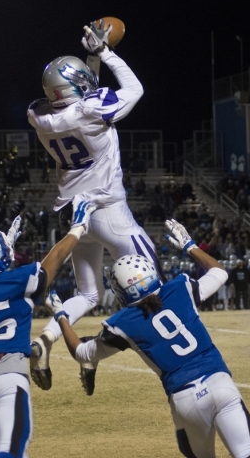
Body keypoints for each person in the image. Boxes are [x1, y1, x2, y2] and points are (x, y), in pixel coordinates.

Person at [46, 219, 250, 458]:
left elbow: (82, 352)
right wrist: (190, 246)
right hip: (219, 383)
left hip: (184, 398)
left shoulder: (123, 323)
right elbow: (219, 273)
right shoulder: (179, 288)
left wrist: (61, 316)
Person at [27, 21, 164, 392]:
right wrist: (104, 52)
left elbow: (84, 91)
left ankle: (45, 340)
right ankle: (98, 354)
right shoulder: (90, 111)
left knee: (88, 294)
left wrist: (90, 59)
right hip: (108, 209)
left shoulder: (39, 115)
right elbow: (134, 89)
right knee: (156, 288)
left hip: (75, 215)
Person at [0, 196, 95, 458]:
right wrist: (77, 229)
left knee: (11, 453)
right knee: (11, 454)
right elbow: (55, 259)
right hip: (4, 379)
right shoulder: (18, 280)